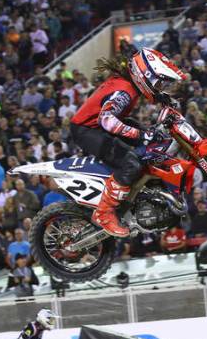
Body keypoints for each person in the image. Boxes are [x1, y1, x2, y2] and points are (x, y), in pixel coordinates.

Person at [69, 49, 187, 237]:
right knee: (131, 162)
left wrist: (160, 98)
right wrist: (141, 135)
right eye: (157, 82)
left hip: (98, 125)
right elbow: (107, 120)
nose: (159, 86)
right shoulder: (124, 91)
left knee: (151, 142)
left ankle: (139, 193)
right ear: (144, 75)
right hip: (87, 130)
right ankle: (104, 213)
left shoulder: (130, 85)